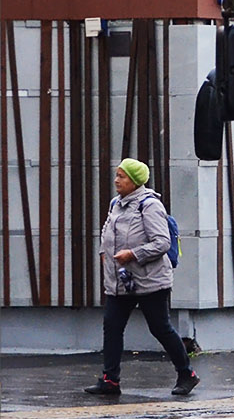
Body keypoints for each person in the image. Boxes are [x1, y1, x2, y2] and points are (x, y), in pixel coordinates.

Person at [84, 158, 199, 396]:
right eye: (116, 175)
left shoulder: (150, 206)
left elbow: (162, 242)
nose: (116, 180)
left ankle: (186, 374)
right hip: (121, 280)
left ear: (135, 181)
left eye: (122, 177)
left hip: (151, 281)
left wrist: (133, 254)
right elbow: (107, 231)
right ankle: (110, 380)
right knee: (112, 327)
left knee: (160, 328)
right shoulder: (116, 203)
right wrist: (103, 253)